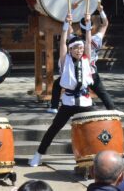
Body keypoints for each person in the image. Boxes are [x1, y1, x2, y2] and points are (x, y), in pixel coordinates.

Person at [29, 12, 95, 167]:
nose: (79, 50)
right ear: (71, 50)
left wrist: (88, 24)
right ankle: (39, 154)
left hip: (85, 101)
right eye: (76, 48)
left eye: (80, 48)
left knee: (95, 126)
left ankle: (95, 155)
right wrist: (66, 25)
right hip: (69, 102)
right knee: (54, 128)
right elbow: (62, 44)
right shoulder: (65, 61)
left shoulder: (86, 59)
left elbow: (88, 41)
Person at [46, 1, 115, 114]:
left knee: (58, 84)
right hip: (91, 71)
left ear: (79, 27)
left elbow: (66, 32)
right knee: (102, 92)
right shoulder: (96, 39)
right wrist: (101, 10)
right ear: (91, 28)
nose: (79, 50)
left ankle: (54, 106)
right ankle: (112, 110)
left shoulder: (74, 40)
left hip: (75, 71)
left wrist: (71, 11)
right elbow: (105, 24)